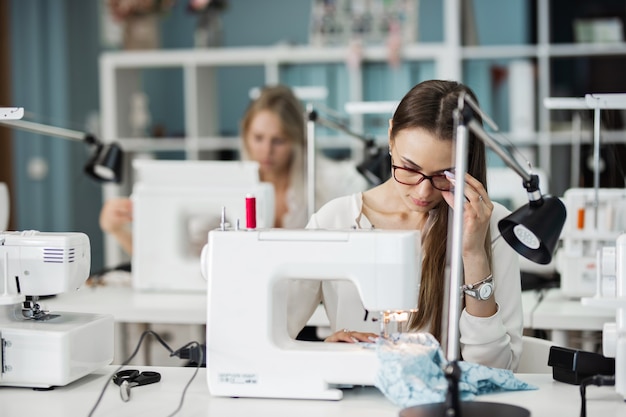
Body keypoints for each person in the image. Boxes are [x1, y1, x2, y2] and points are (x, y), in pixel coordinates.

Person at [287, 80, 523, 371]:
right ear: (390, 137)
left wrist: (474, 254)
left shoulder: (494, 226)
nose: (423, 193)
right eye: (410, 169)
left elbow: (495, 370)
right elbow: (276, 334)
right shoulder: (335, 221)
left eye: (444, 175)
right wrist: (327, 354)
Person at [100, 84, 368, 254]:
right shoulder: (230, 185)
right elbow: (178, 255)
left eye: (278, 141)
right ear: (245, 135)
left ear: (298, 141)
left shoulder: (328, 182)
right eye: (258, 138)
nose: (266, 151)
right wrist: (117, 230)